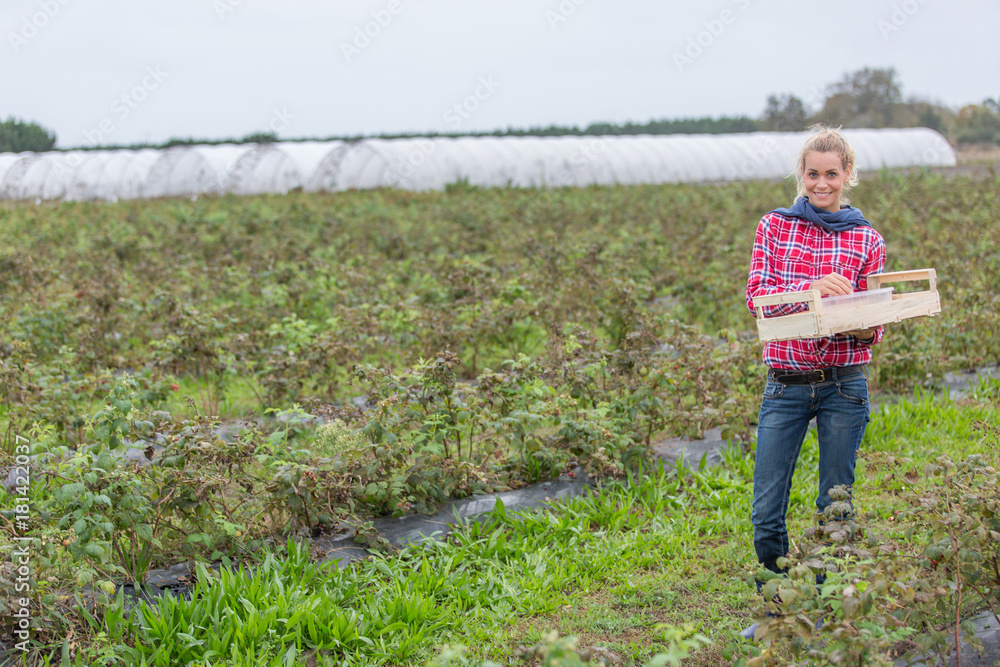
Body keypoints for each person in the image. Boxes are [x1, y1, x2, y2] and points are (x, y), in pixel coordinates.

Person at [742, 127, 886, 638]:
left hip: (844, 384)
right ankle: (777, 607)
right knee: (766, 509)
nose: (821, 183)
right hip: (785, 384)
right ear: (801, 175)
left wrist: (859, 316)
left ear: (848, 175)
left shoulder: (866, 239)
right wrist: (812, 290)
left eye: (831, 174)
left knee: (835, 503)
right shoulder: (774, 227)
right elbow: (757, 297)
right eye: (812, 174)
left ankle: (826, 608)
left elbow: (872, 327)